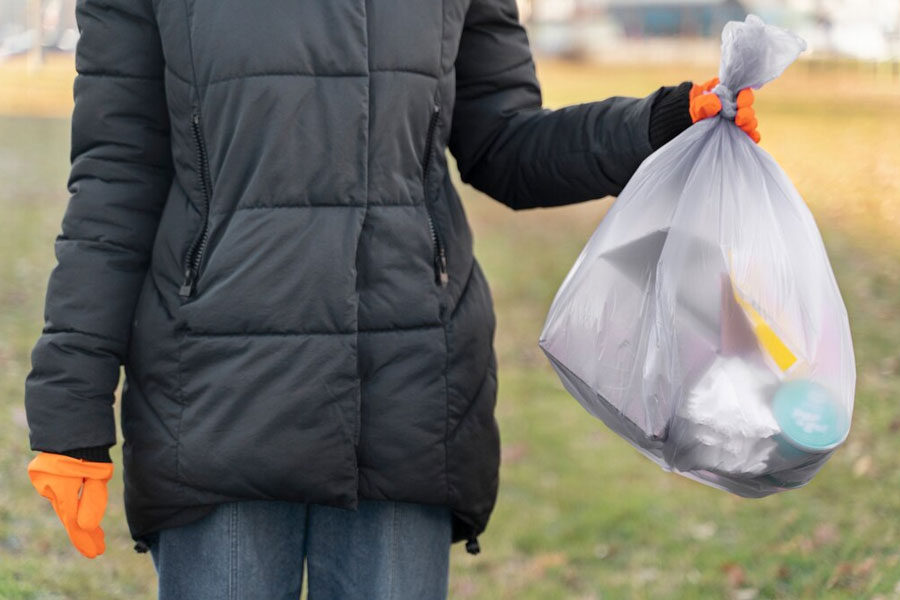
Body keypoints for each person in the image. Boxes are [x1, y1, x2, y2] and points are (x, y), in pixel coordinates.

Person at [22, 0, 758, 597]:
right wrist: (70, 410)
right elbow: (117, 182)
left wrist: (658, 125)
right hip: (215, 396)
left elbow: (502, 143)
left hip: (405, 387)